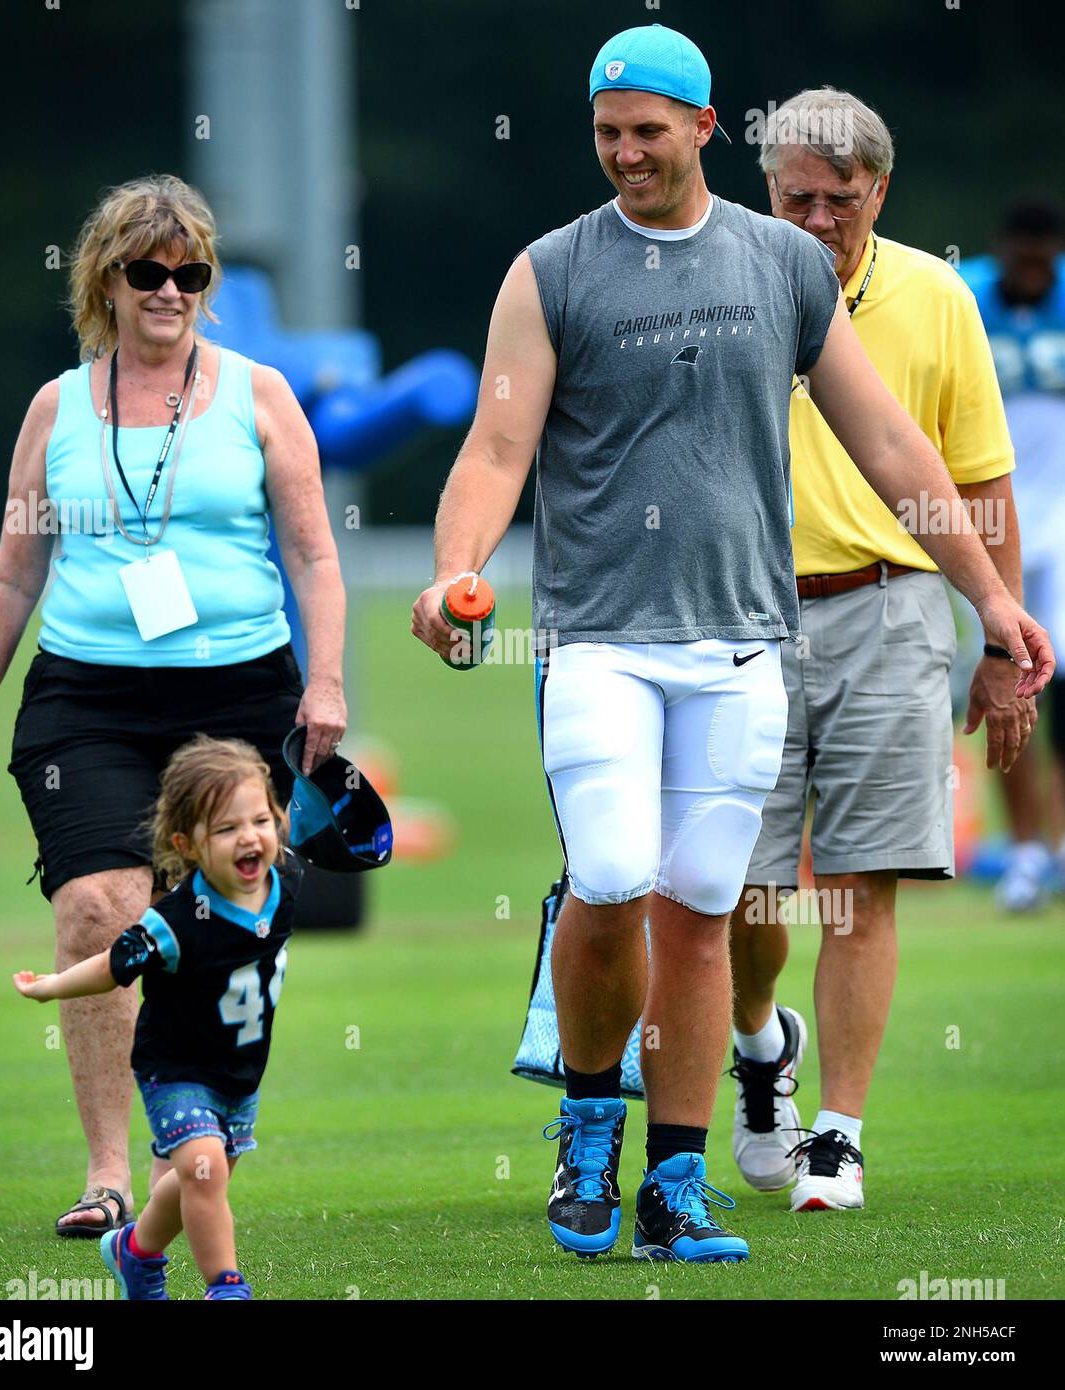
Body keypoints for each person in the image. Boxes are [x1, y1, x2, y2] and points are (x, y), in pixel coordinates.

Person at [411, 26, 1053, 1264]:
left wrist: (988, 595)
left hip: (742, 644)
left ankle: (675, 1181)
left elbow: (893, 447)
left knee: (704, 908)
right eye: (606, 133)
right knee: (609, 882)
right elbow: (495, 450)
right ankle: (589, 1127)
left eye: (647, 131)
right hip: (600, 636)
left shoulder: (781, 265)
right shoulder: (549, 270)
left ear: (704, 128)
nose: (624, 154)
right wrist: (455, 570)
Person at [0, 174, 347, 1238]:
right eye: (147, 271)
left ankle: (199, 1128)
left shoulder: (260, 394)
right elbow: (13, 575)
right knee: (98, 907)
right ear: (107, 281)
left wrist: (329, 681)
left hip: (237, 688)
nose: (169, 289)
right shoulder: (58, 407)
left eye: (189, 272)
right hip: (88, 696)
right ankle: (110, 1171)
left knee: (216, 922)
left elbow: (312, 552)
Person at [729, 88, 1033, 1214]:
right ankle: (762, 1050)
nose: (816, 219)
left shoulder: (937, 294)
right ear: (766, 190)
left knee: (862, 885)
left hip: (892, 604)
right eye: (796, 197)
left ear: (880, 193)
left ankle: (838, 1137)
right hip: (739, 617)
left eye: (840, 201)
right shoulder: (719, 279)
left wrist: (997, 633)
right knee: (742, 898)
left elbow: (980, 474)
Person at [15, 736, 299, 1300]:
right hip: (176, 1071)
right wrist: (51, 987)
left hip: (240, 1076)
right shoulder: (175, 920)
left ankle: (135, 1252)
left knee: (197, 1178)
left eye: (261, 820)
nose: (249, 837)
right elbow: (109, 966)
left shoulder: (282, 885)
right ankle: (226, 1286)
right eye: (225, 829)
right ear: (185, 844)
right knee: (205, 1171)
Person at [960, 200, 1065, 911]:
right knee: (1006, 685)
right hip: (991, 528)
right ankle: (1025, 849)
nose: (1031, 272)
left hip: (1063, 523)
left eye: (1042, 258)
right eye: (1020, 257)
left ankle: (1053, 844)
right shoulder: (964, 297)